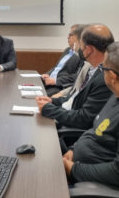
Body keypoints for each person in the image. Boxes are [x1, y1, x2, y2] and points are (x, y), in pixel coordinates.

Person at [36, 24, 114, 130]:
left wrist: (49, 110)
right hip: (65, 115)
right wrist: (52, 102)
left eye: (80, 45)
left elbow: (83, 119)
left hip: (70, 128)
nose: (78, 49)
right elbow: (74, 98)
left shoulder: (105, 78)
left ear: (89, 49)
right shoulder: (93, 69)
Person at [63, 41, 119, 187]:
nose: (101, 71)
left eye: (103, 67)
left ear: (112, 76)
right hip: (77, 163)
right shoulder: (115, 96)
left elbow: (116, 172)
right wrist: (73, 149)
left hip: (92, 184)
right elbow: (96, 128)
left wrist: (73, 169)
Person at [42, 24, 83, 96]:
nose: (67, 37)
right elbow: (57, 67)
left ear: (79, 37)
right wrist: (47, 74)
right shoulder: (67, 50)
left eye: (71, 35)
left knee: (39, 96)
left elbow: (77, 76)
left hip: (60, 86)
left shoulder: (82, 55)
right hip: (48, 81)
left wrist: (55, 81)